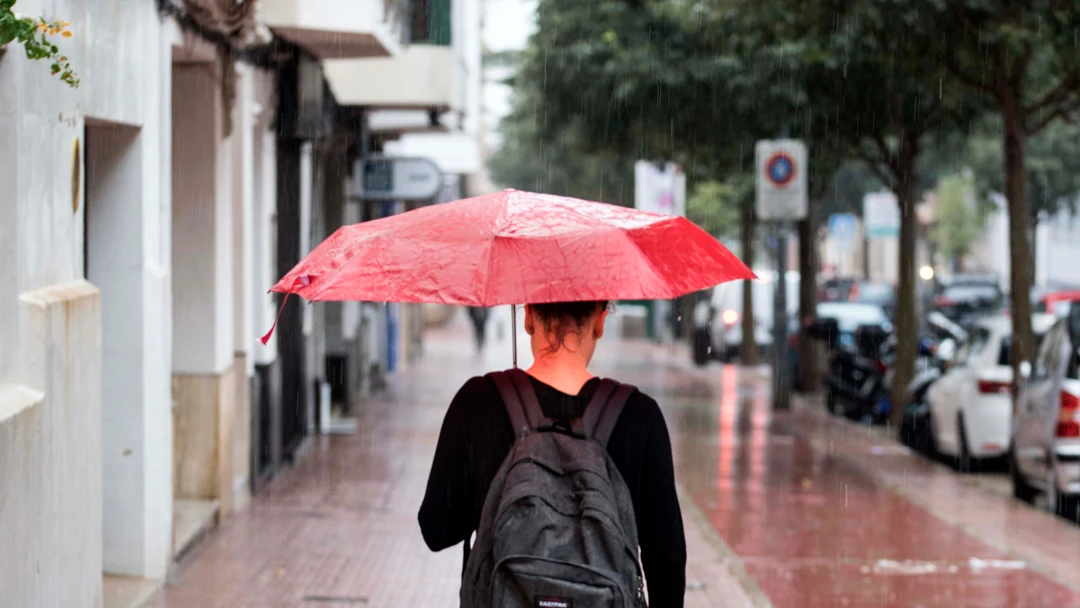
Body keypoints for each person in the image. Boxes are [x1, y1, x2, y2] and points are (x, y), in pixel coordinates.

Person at [419, 301, 687, 606]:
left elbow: (436, 529)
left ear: (529, 317)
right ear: (600, 321)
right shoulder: (639, 416)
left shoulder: (479, 401)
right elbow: (667, 563)